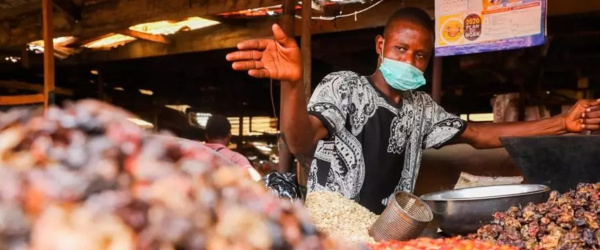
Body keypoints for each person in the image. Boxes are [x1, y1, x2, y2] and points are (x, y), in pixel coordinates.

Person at [226, 7, 600, 214]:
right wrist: (292, 84)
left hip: (390, 233)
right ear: (380, 44)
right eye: (401, 49)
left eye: (420, 55)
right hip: (332, 232)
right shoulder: (344, 87)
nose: (410, 60)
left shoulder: (422, 108)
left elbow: (480, 135)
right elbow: (300, 138)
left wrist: (562, 124)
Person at [204, 114, 262, 181]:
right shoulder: (236, 158)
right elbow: (256, 180)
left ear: (206, 135)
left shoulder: (191, 153)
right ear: (229, 135)